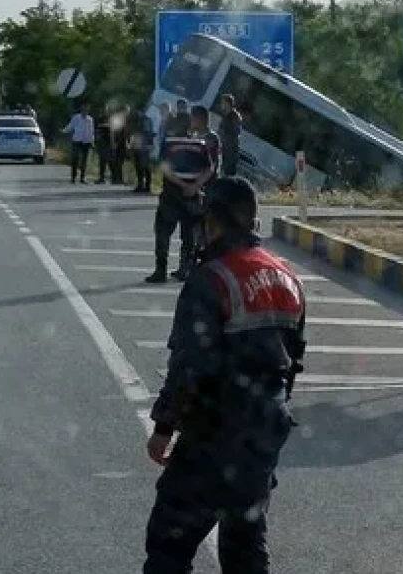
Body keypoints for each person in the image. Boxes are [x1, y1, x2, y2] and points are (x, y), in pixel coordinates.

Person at [141, 176, 307, 574]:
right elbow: (292, 363)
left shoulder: (212, 278)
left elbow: (189, 366)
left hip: (215, 432)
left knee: (169, 543)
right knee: (245, 546)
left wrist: (164, 426)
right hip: (264, 432)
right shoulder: (287, 277)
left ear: (213, 221)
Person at [146, 107, 216, 284]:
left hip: (171, 194)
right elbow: (210, 168)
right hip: (193, 195)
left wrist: (182, 185)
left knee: (163, 232)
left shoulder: (169, 143)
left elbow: (165, 169)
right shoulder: (199, 144)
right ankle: (185, 269)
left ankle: (160, 270)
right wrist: (195, 186)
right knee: (189, 234)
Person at [61, 102, 94, 184]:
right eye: (84, 108)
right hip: (77, 140)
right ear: (81, 109)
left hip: (86, 141)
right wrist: (64, 130)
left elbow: (91, 131)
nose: (85, 110)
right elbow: (70, 126)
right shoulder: (76, 118)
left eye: (87, 109)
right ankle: (73, 177)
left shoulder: (90, 119)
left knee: (84, 160)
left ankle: (82, 178)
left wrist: (92, 141)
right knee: (75, 158)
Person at [129, 108, 155, 194]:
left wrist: (150, 144)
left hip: (144, 146)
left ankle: (147, 186)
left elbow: (149, 133)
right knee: (138, 166)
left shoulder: (146, 120)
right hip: (137, 145)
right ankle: (140, 185)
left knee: (145, 166)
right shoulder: (135, 120)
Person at [217, 94, 243, 177]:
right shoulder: (226, 115)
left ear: (227, 103)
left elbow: (236, 132)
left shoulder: (234, 116)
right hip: (223, 148)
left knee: (226, 174)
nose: (221, 104)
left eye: (222, 102)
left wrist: (225, 134)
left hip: (229, 150)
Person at [93, 106, 115, 184]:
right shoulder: (100, 119)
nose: (105, 112)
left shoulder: (113, 119)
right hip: (101, 142)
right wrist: (95, 142)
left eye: (107, 110)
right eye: (104, 110)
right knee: (102, 161)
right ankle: (101, 178)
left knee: (110, 161)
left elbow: (113, 131)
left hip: (109, 142)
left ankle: (114, 178)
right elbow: (96, 131)